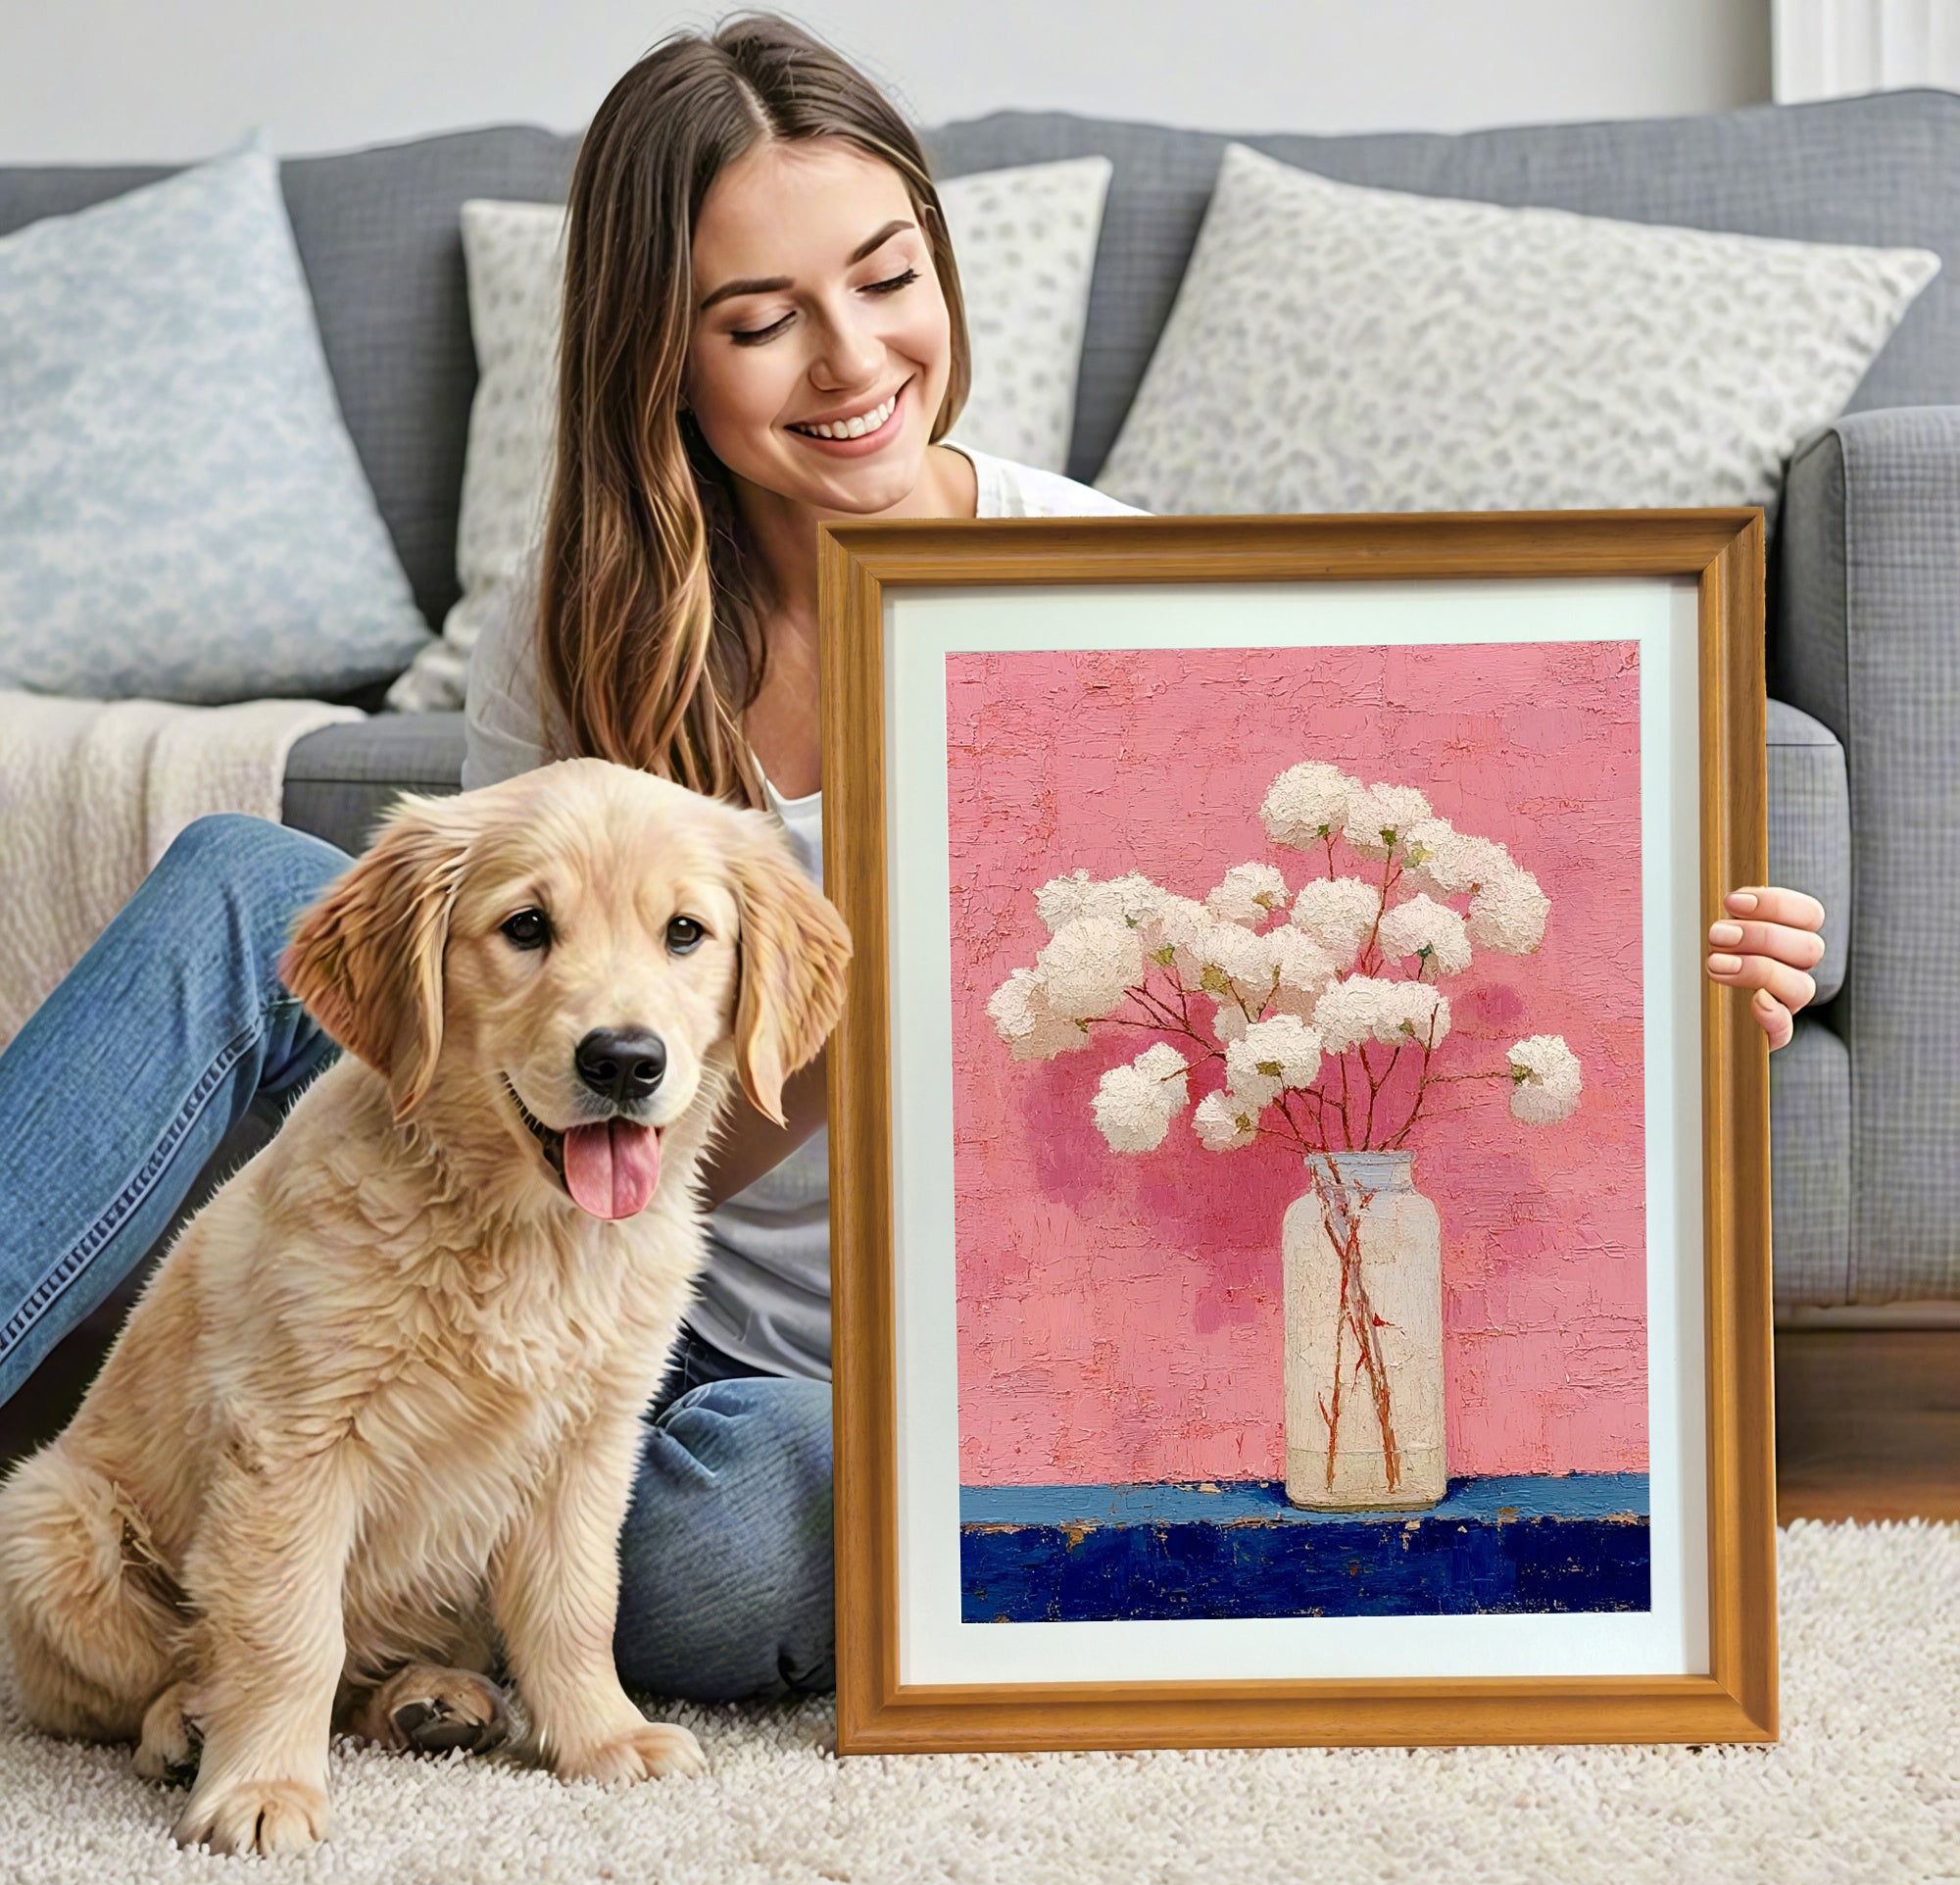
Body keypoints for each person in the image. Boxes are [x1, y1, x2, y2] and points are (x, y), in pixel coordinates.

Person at [0, 15, 1828, 1703]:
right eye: (760, 316)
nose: (856, 358)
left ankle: (434, 1617)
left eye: (888, 279)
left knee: (727, 1560)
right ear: (661, 350)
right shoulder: (581, 620)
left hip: (790, 1380)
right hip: (574, 1256)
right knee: (245, 881)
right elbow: (519, 1040)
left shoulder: (1104, 595)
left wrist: (1673, 977)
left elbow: (1373, 938)